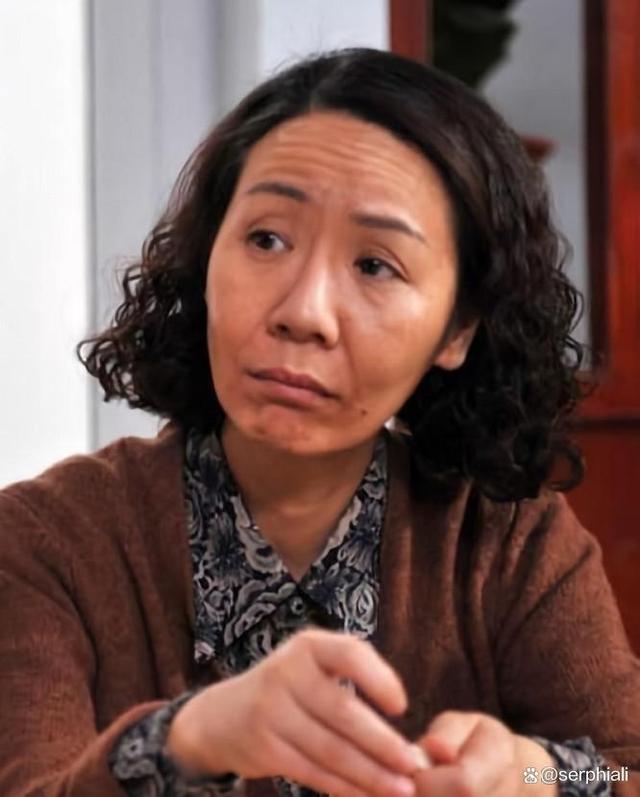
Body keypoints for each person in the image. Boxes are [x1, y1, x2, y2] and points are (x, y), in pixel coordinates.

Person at [0, 46, 639, 797]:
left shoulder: (508, 541)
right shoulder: (49, 540)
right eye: (266, 239)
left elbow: (622, 768)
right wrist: (188, 741)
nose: (303, 312)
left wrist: (534, 775)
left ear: (457, 330)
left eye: (375, 265)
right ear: (207, 260)